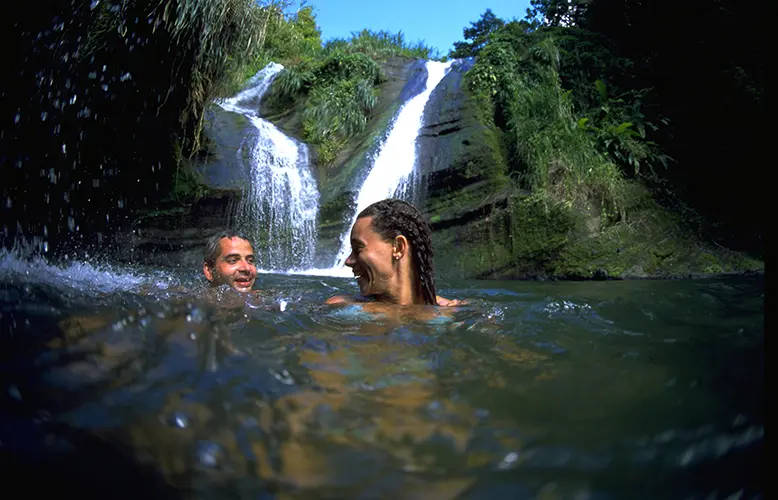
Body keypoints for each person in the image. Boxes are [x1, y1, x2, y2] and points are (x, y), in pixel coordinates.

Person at [325, 199, 463, 307]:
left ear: (398, 247)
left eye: (358, 248)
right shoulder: (341, 307)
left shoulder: (452, 312)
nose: (348, 261)